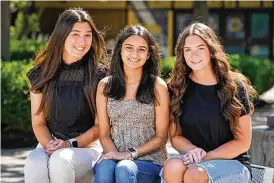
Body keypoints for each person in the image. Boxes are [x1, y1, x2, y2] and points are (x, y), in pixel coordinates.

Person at [161, 22, 257, 183]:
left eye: (200, 48)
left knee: (195, 174)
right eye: (188, 50)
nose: (194, 55)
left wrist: (207, 157)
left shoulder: (234, 86)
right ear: (182, 54)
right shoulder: (176, 88)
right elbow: (175, 137)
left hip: (232, 163)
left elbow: (242, 142)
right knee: (172, 167)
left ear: (211, 51)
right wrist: (194, 151)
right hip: (195, 158)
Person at [24, 8, 108, 183]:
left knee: (61, 161)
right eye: (75, 34)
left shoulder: (100, 75)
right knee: (34, 161)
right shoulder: (41, 74)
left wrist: (70, 144)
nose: (82, 41)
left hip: (87, 148)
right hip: (51, 143)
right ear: (62, 36)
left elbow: (101, 127)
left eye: (87, 35)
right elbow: (38, 122)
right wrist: (50, 145)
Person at [94, 25, 169, 183]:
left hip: (150, 161)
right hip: (114, 155)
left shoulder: (157, 86)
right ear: (120, 50)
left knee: (125, 168)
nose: (135, 54)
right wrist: (115, 156)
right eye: (129, 48)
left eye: (141, 49)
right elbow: (104, 134)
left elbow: (161, 137)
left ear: (148, 54)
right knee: (105, 168)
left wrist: (129, 155)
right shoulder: (105, 86)